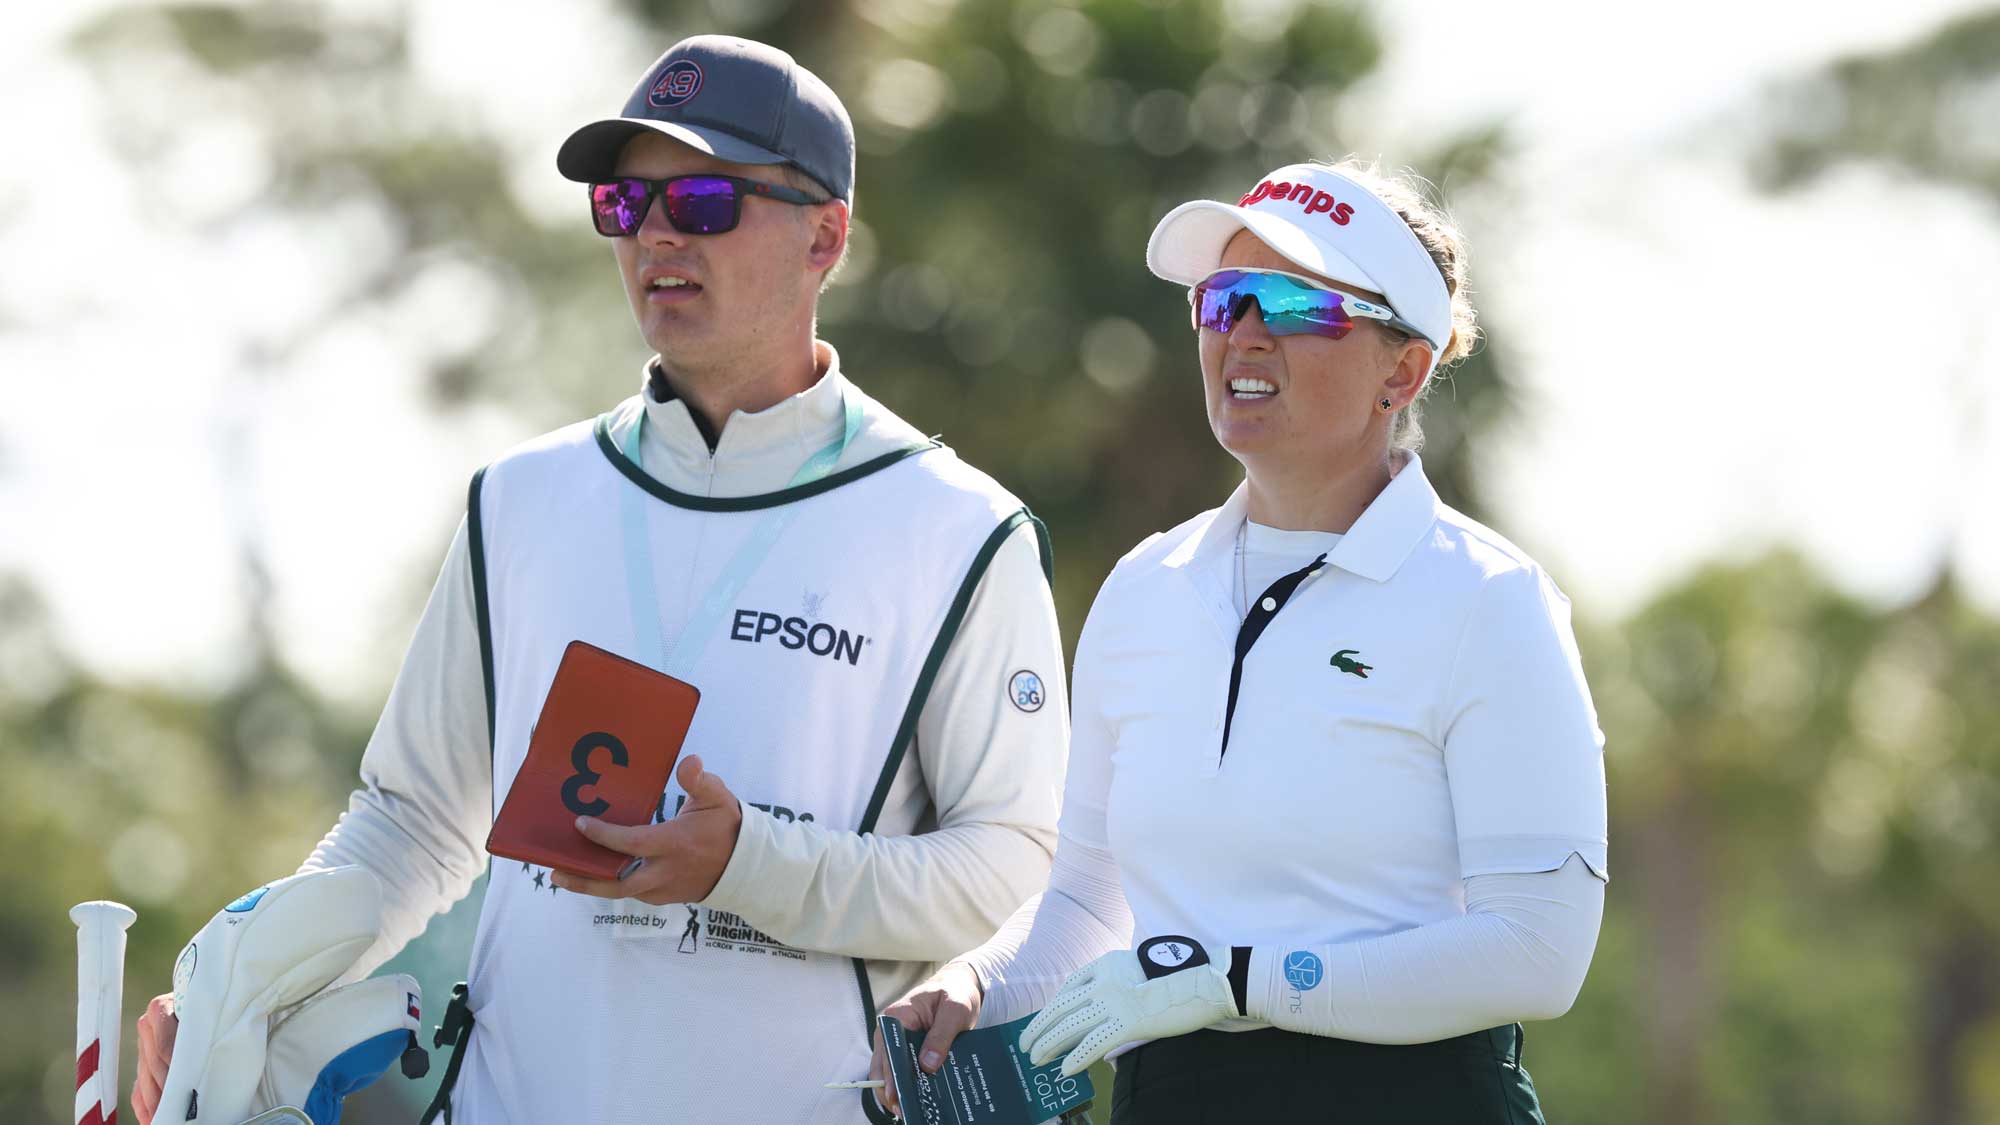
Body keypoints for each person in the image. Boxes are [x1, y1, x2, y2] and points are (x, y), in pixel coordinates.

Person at [132, 34, 1068, 1125]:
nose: (659, 234)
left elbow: (1009, 870)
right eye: (625, 205)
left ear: (826, 234)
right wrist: (247, 970)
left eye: (706, 200)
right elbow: (413, 822)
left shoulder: (959, 528)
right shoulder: (518, 498)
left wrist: (747, 864)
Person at [872, 159, 1607, 1124]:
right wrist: (977, 984)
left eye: (1296, 303)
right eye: (1223, 299)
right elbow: (1093, 903)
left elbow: (1537, 951)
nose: (1245, 331)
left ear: (1405, 367)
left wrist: (1246, 982)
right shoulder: (1143, 589)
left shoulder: (1491, 599)